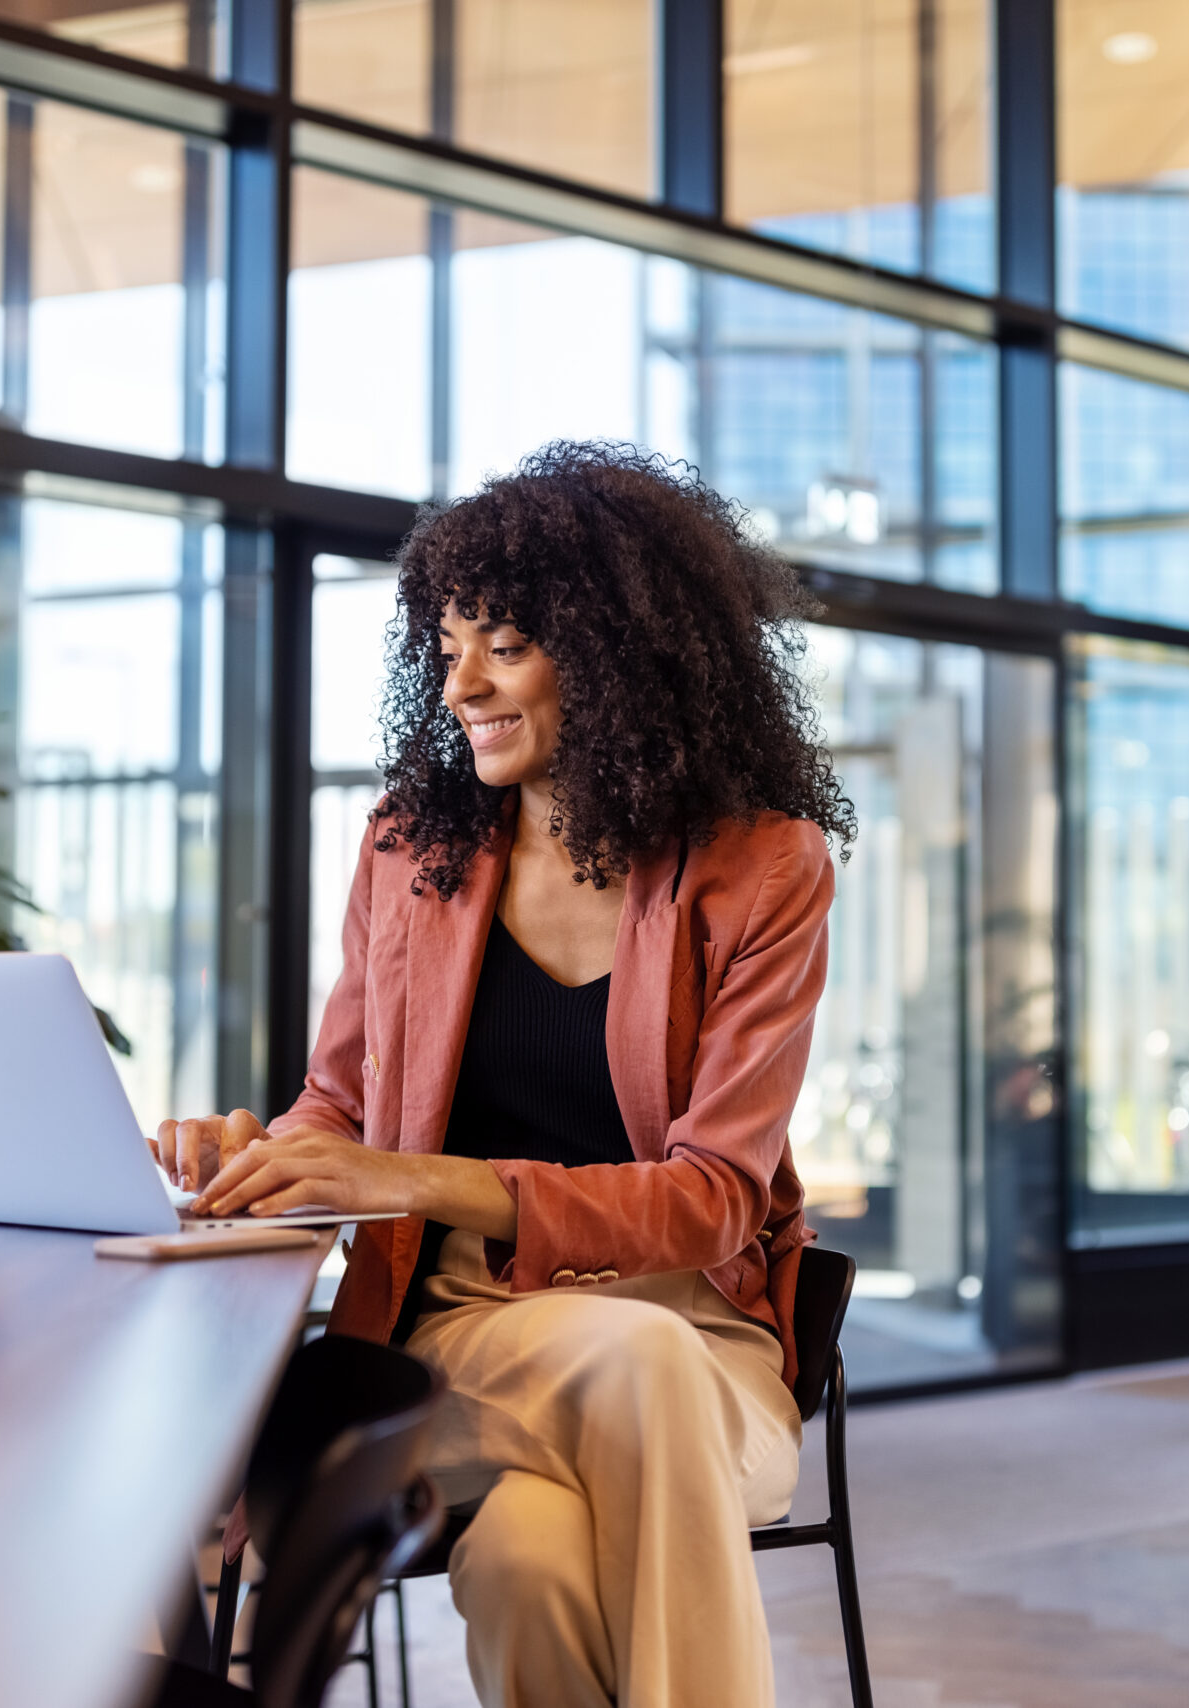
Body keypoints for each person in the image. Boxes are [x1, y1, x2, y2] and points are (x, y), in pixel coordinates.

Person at [152, 442, 856, 1708]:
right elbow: (344, 1106)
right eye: (447, 641)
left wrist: (412, 1172)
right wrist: (261, 1152)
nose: (459, 679)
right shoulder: (410, 852)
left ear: (618, 652)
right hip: (458, 1336)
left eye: (506, 643)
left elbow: (713, 1199)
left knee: (534, 1550)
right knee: (598, 1412)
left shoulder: (763, 867)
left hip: (695, 1351)